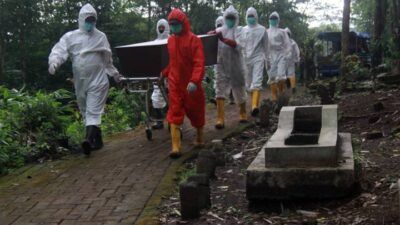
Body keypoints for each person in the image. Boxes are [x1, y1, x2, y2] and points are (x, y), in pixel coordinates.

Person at [48, 4, 122, 156]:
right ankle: (98, 140)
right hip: (81, 82)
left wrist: (115, 74)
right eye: (87, 20)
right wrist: (54, 62)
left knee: (93, 110)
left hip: (98, 79)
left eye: (93, 20)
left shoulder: (100, 37)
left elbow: (108, 60)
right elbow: (60, 50)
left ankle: (87, 141)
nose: (90, 23)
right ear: (81, 20)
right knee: (85, 110)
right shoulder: (71, 37)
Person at [160, 8, 206, 158]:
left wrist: (194, 80)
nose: (173, 27)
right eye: (171, 24)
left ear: (183, 23)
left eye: (176, 24)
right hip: (175, 82)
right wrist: (164, 73)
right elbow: (173, 63)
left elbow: (199, 63)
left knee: (196, 111)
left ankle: (199, 138)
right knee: (174, 112)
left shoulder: (194, 40)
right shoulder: (171, 40)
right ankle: (175, 147)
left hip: (190, 85)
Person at [211, 5, 248, 129]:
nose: (230, 20)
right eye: (228, 17)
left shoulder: (240, 30)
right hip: (221, 64)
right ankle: (220, 119)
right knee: (220, 89)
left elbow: (238, 45)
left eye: (232, 18)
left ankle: (242, 113)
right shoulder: (219, 30)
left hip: (235, 64)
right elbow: (210, 42)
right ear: (225, 18)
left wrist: (223, 39)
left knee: (239, 88)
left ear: (236, 18)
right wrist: (211, 35)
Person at [242, 7, 268, 116]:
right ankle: (254, 104)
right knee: (248, 85)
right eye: (249, 16)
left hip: (258, 58)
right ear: (246, 17)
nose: (251, 18)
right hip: (246, 59)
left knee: (256, 82)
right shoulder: (243, 30)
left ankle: (254, 106)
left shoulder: (262, 30)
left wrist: (268, 60)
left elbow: (266, 46)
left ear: (256, 16)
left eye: (252, 16)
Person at [266, 12, 291, 102]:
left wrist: (287, 54)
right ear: (269, 20)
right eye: (271, 19)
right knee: (272, 77)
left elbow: (287, 44)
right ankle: (274, 96)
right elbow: (262, 45)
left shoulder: (282, 32)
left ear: (278, 20)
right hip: (270, 56)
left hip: (280, 54)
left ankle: (281, 93)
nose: (273, 20)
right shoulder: (266, 32)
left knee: (281, 76)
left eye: (275, 18)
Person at [151, 19, 170, 129]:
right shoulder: (154, 42)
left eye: (163, 27)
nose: (161, 29)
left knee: (171, 96)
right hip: (158, 74)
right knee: (156, 97)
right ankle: (159, 122)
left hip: (171, 73)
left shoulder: (172, 40)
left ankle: (173, 120)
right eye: (160, 27)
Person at [284, 27, 300, 93]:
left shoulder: (281, 42)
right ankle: (292, 88)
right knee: (291, 74)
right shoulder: (293, 42)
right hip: (291, 61)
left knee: (283, 74)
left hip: (283, 61)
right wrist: (297, 60)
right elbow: (297, 52)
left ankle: (287, 88)